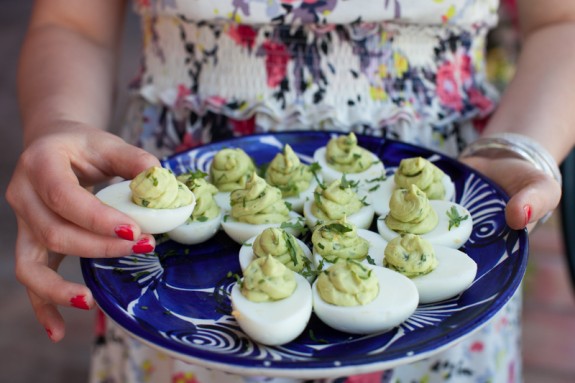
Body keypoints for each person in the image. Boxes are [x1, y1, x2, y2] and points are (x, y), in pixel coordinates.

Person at [6, 0, 573, 382]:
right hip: (178, 269)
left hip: (440, 196)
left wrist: (520, 147)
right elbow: (70, 22)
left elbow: (561, 21)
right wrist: (59, 124)